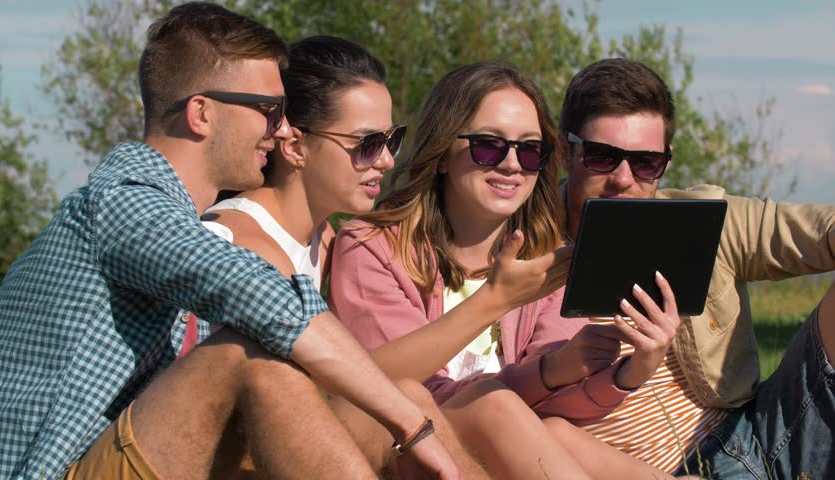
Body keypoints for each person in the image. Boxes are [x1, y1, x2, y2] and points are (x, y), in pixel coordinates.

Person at [0, 4, 461, 479]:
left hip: (126, 454)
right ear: (201, 113)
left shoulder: (175, 218)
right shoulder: (124, 205)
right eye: (268, 110)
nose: (281, 129)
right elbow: (266, 300)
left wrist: (404, 414)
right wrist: (412, 428)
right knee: (246, 353)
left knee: (401, 399)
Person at [329, 60, 690, 480]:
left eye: (531, 150)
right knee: (492, 400)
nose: (512, 165)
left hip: (497, 452)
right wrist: (497, 304)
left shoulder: (545, 254)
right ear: (443, 152)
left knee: (555, 430)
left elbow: (547, 414)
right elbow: (380, 384)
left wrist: (627, 371)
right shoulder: (372, 247)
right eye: (488, 146)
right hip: (401, 446)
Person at [193, 34, 490, 479]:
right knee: (409, 399)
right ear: (294, 145)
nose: (387, 161)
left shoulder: (326, 240)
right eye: (366, 143)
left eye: (393, 139)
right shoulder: (231, 241)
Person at [553, 57, 835, 479]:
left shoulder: (701, 219)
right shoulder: (525, 256)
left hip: (752, 435)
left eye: (645, 162)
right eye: (601, 157)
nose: (623, 179)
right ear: (565, 152)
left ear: (665, 162)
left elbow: (812, 230)